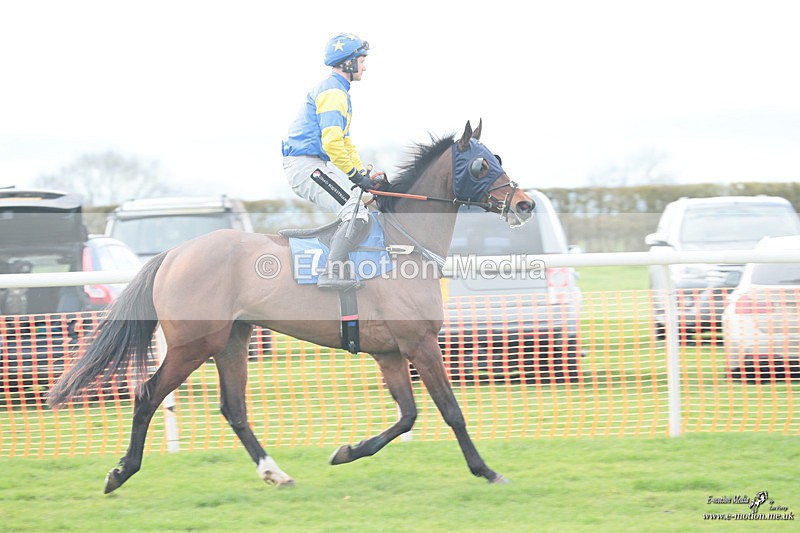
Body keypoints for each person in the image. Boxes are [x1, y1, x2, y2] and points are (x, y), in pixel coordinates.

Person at [281, 32, 386, 290]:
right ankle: (331, 273)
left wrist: (362, 176)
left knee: (361, 204)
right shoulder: (333, 93)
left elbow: (345, 142)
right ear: (348, 63)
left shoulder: (339, 92)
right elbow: (332, 143)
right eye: (361, 60)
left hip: (314, 164)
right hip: (306, 166)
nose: (364, 66)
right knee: (355, 213)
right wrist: (354, 175)